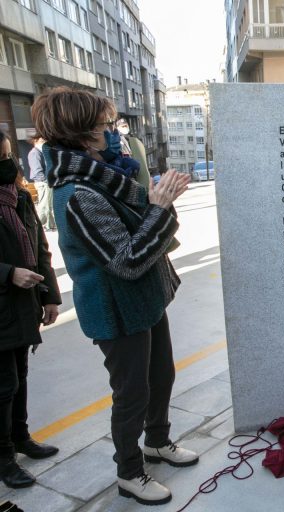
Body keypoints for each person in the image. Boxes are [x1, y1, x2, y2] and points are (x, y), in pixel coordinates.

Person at [32, 87, 197, 505]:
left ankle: (157, 442)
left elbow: (140, 233)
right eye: (105, 125)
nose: (113, 132)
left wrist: (158, 203)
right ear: (82, 134)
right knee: (131, 395)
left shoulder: (106, 176)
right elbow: (126, 261)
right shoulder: (79, 194)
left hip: (143, 302)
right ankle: (130, 472)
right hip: (116, 311)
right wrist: (158, 207)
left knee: (162, 377)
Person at [0, 130, 61, 488]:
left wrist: (49, 295)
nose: (9, 164)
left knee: (20, 377)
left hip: (22, 304)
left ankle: (21, 438)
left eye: (9, 155)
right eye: (1, 157)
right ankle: (4, 457)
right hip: (4, 302)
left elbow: (39, 248)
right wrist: (8, 273)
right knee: (3, 385)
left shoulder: (18, 198)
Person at [27, 137, 55, 231]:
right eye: (42, 141)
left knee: (48, 205)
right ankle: (42, 225)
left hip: (45, 181)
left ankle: (49, 224)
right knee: (44, 205)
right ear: (36, 141)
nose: (44, 142)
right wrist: (45, 180)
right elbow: (37, 170)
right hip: (42, 182)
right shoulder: (35, 152)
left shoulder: (40, 152)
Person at [116, 118, 151, 190]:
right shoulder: (118, 140)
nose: (125, 128)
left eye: (125, 126)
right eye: (122, 126)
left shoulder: (130, 139)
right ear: (118, 128)